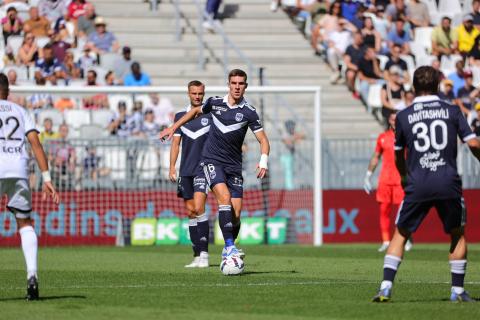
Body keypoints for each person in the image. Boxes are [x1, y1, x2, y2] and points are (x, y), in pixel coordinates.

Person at [372, 66, 480, 303]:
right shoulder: (452, 111)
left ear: (413, 87)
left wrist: (403, 175)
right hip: (447, 181)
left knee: (400, 233)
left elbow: (398, 154)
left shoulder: (402, 116)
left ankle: (386, 287)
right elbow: (473, 145)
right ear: (438, 86)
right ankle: (458, 291)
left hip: (417, 182)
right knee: (457, 234)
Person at [160, 69, 270, 261]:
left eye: (241, 83)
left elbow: (263, 140)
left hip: (234, 166)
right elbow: (195, 111)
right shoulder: (215, 103)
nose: (237, 87)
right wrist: (173, 127)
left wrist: (263, 161)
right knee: (224, 198)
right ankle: (228, 248)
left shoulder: (249, 112)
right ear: (228, 84)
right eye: (233, 83)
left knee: (235, 214)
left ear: (245, 86)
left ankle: (230, 244)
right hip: (212, 161)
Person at [0, 73, 59, 300]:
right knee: (25, 223)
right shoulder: (21, 111)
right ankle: (32, 275)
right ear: (8, 91)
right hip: (18, 169)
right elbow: (35, 144)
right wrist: (47, 178)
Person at [169, 80, 211, 268]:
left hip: (203, 169)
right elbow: (175, 144)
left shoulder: (210, 114)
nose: (197, 96)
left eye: (200, 93)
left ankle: (205, 254)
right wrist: (172, 167)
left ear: (203, 93)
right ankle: (196, 255)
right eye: (194, 93)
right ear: (188, 93)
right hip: (185, 170)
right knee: (191, 212)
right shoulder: (180, 116)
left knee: (200, 207)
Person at [364, 112, 408, 252]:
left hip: (401, 179)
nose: (395, 121)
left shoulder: (407, 136)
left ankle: (404, 238)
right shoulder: (383, 138)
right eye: (393, 119)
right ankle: (386, 241)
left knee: (403, 211)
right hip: (385, 180)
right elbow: (376, 157)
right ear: (389, 120)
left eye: (397, 119)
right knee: (384, 211)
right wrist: (368, 175)